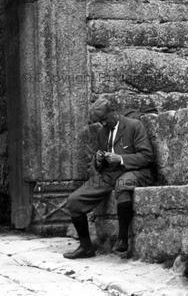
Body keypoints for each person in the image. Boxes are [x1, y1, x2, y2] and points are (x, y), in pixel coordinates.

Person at [63, 98, 154, 259]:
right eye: (100, 122)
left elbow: (147, 157)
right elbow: (99, 164)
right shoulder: (102, 132)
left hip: (135, 171)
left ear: (113, 112)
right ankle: (86, 247)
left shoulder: (134, 126)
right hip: (109, 175)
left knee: (123, 184)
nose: (103, 124)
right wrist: (99, 161)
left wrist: (120, 158)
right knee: (73, 201)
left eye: (105, 120)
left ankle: (122, 239)